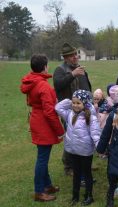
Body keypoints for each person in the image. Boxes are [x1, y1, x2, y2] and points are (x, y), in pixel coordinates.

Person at [20, 54, 65, 202]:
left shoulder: (34, 81)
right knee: (42, 159)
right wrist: (60, 131)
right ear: (44, 67)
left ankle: (47, 185)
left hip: (37, 120)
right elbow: (49, 112)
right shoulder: (43, 85)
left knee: (42, 156)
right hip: (43, 124)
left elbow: (40, 102)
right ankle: (39, 191)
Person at [55, 90, 101, 206]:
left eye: (78, 103)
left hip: (85, 152)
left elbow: (95, 134)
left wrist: (99, 146)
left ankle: (89, 195)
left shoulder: (90, 117)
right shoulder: (69, 114)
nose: (75, 105)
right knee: (76, 174)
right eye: (74, 103)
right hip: (73, 150)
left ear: (85, 103)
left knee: (87, 174)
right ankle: (75, 196)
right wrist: (70, 100)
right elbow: (58, 108)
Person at [53, 42, 92, 176]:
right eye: (71, 55)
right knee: (72, 138)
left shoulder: (80, 68)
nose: (75, 57)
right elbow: (58, 85)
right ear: (65, 57)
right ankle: (69, 166)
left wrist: (91, 101)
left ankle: (82, 164)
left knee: (84, 136)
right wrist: (73, 74)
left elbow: (86, 87)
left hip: (83, 109)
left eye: (76, 54)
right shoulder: (60, 70)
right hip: (69, 110)